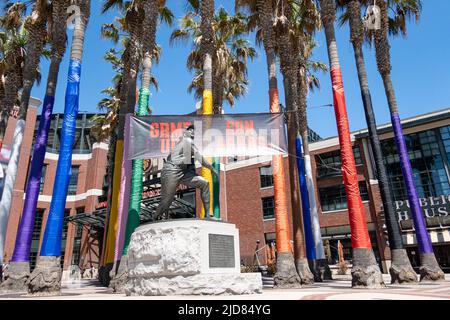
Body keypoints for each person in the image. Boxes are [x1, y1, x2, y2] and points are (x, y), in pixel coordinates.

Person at [154, 124, 219, 220]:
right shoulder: (187, 141)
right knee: (167, 201)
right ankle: (155, 217)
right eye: (190, 130)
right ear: (185, 133)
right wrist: (212, 168)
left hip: (183, 173)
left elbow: (189, 159)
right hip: (172, 171)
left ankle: (208, 215)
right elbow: (199, 158)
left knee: (204, 183)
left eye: (193, 130)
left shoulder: (184, 143)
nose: (192, 131)